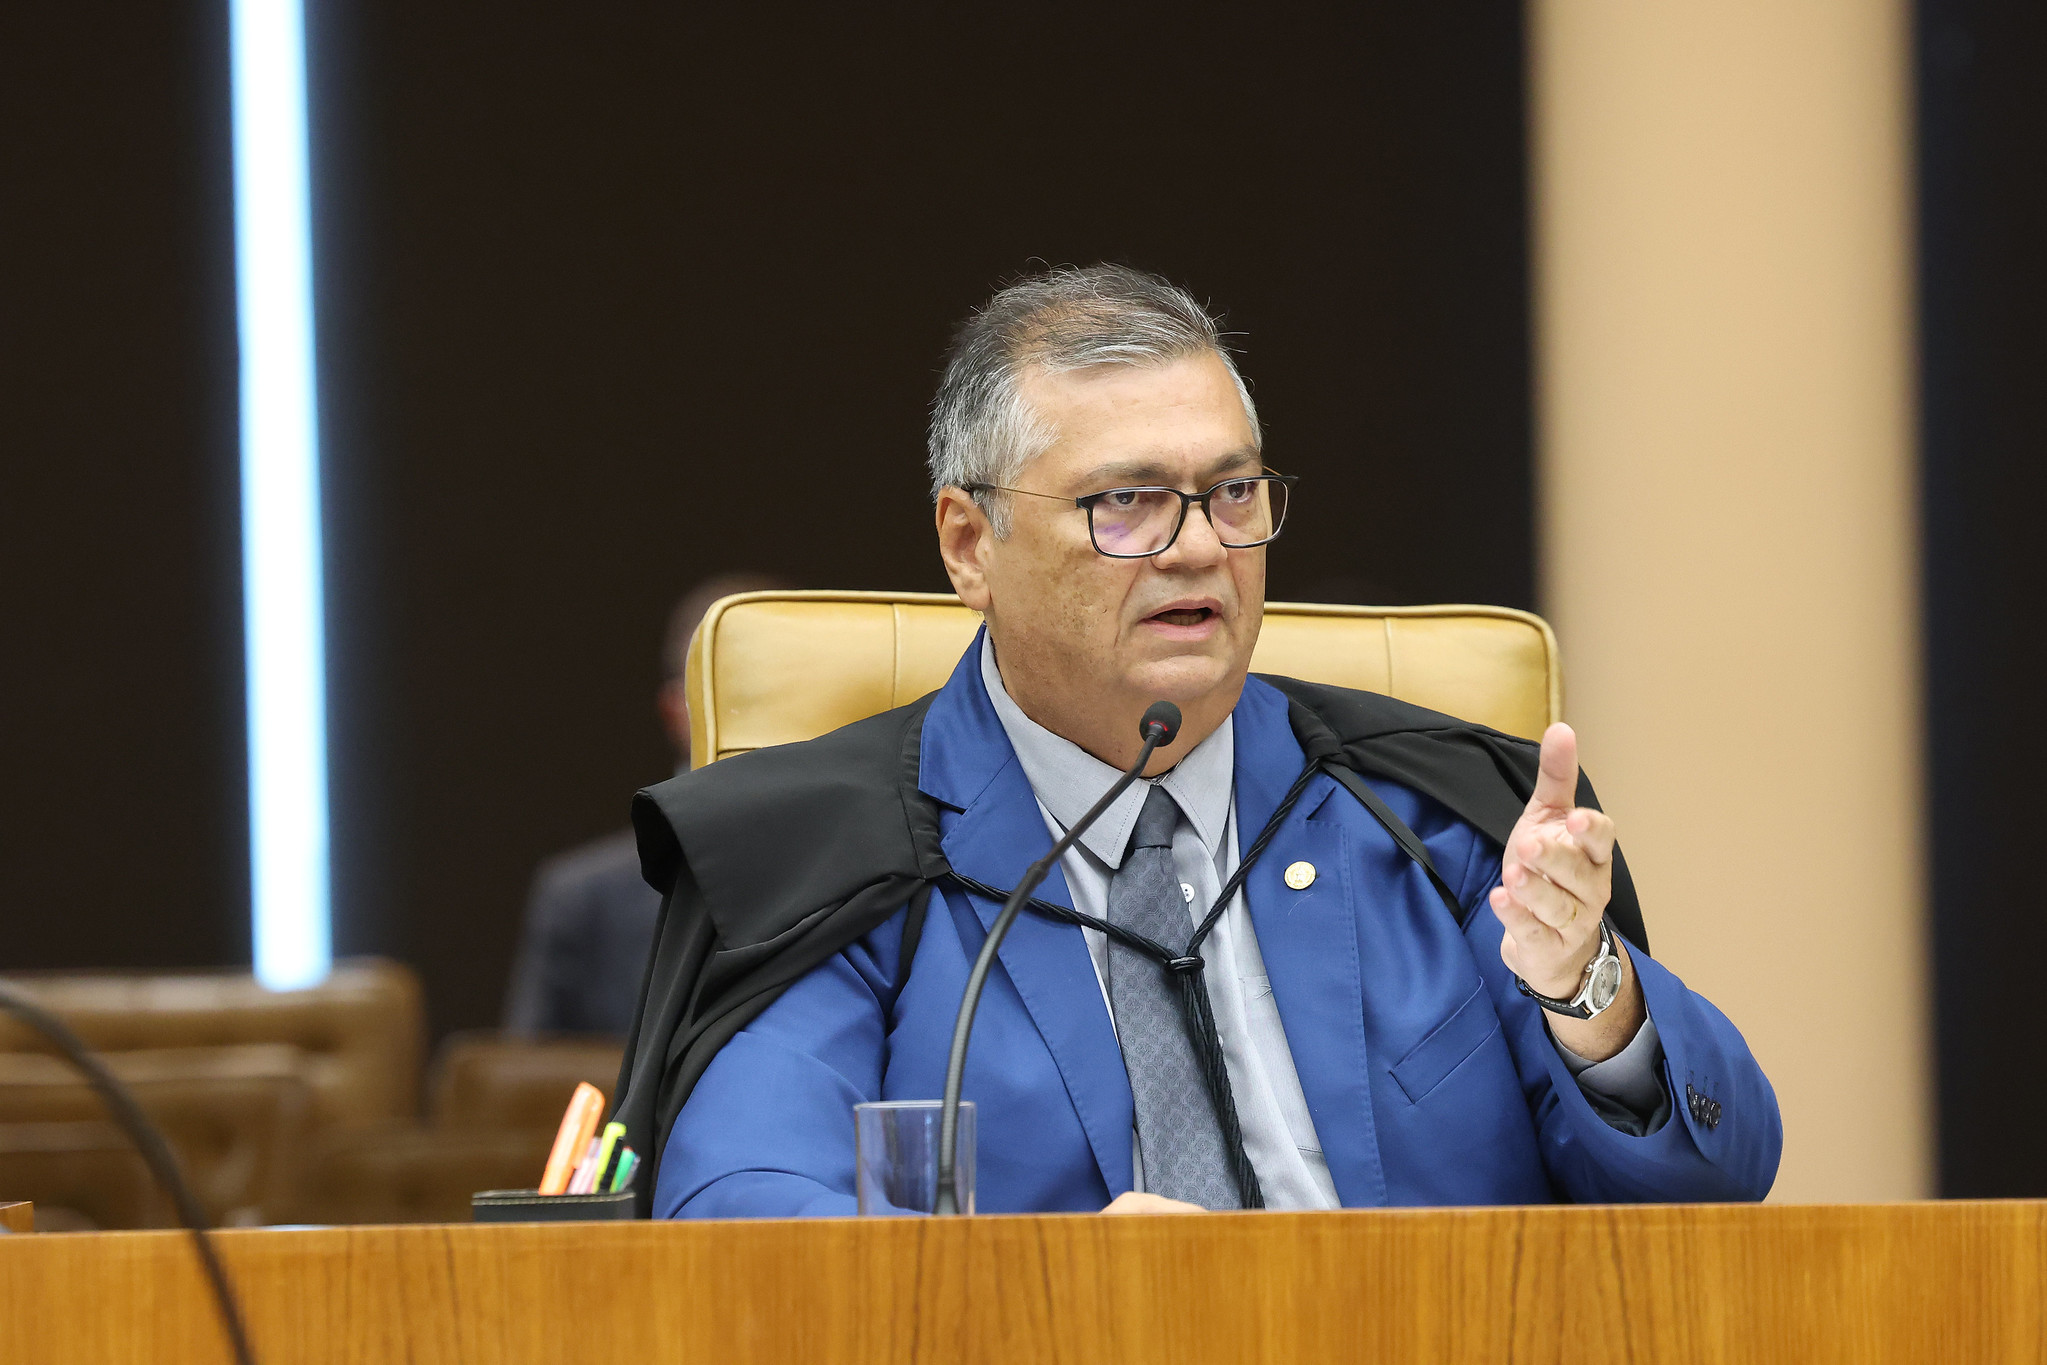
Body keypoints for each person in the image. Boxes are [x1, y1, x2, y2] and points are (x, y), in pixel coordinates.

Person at [614, 265, 1781, 1216]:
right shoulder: (835, 858)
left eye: (1230, 493)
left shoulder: (1426, 820)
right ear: (969, 543)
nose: (1195, 548)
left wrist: (1592, 999)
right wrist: (1060, 1301)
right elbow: (743, 1210)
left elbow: (1712, 1187)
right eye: (1123, 502)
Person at [502, 572, 783, 1036]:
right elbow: (528, 1092)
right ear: (674, 710)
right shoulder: (583, 902)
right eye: (732, 690)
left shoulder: (881, 880)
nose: (757, 716)